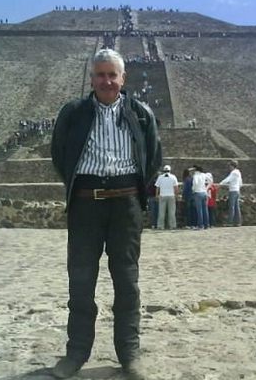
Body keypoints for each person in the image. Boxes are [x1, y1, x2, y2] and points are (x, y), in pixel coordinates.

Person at [50, 48, 162, 380]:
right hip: (85, 203)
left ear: (123, 78)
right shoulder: (72, 113)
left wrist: (132, 189)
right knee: (81, 281)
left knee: (127, 281)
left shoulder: (141, 113)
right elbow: (59, 154)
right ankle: (75, 354)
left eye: (112, 74)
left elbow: (153, 157)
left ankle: (129, 354)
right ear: (91, 78)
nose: (107, 81)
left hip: (125, 205)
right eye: (100, 74)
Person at [219, 160, 243, 226]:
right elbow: (240, 182)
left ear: (232, 166)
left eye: (230, 166)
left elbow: (228, 179)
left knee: (231, 206)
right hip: (237, 190)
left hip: (233, 190)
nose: (229, 167)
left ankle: (230, 222)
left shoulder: (233, 172)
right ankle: (238, 222)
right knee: (236, 207)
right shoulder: (238, 172)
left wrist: (220, 183)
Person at [155, 165, 179, 230]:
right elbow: (176, 187)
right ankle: (172, 226)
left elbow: (157, 187)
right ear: (170, 170)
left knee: (161, 212)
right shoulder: (173, 177)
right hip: (171, 195)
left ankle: (160, 226)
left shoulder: (160, 177)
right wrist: (176, 195)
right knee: (172, 212)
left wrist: (156, 195)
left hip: (162, 195)